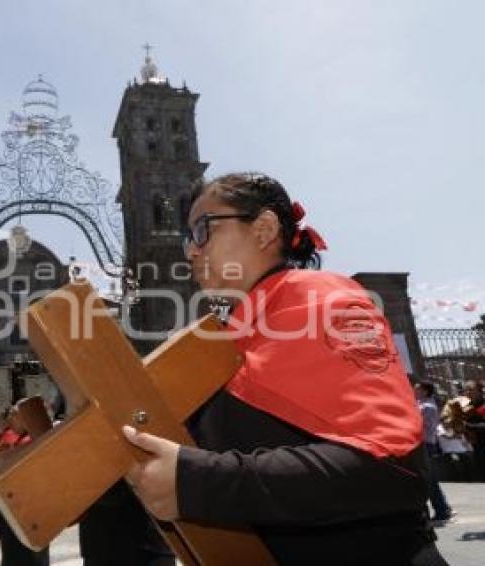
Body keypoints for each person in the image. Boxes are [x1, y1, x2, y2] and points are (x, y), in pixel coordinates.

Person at [121, 173, 447, 565]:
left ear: (263, 229)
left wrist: (198, 481)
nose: (191, 251)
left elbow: (392, 471)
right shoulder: (226, 333)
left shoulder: (323, 302)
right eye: (186, 238)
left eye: (202, 230)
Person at [0, 405, 49, 566]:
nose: (10, 419)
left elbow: (4, 461)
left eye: (14, 415)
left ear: (25, 418)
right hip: (16, 510)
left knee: (24, 557)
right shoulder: (22, 438)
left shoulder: (30, 440)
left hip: (25, 511)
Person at [414, 382, 453, 521]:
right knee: (429, 479)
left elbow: (424, 425)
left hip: (426, 444)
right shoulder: (419, 404)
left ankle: (442, 510)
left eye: (417, 389)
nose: (414, 391)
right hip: (422, 443)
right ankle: (444, 507)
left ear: (425, 391)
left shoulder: (427, 407)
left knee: (429, 479)